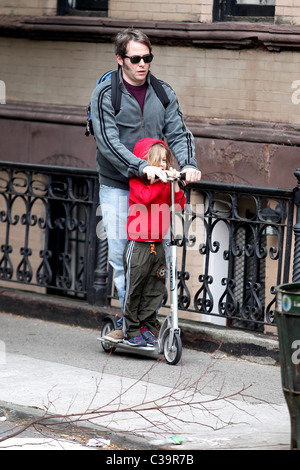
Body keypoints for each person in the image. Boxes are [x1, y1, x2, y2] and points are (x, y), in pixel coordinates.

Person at [91, 28, 201, 340]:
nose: (142, 64)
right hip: (118, 184)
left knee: (157, 257)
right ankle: (131, 323)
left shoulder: (163, 92)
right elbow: (108, 142)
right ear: (120, 59)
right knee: (122, 256)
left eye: (147, 58)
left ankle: (146, 322)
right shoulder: (106, 93)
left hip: (155, 189)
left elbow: (178, 133)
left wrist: (188, 164)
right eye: (135, 58)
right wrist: (140, 167)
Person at [121, 138, 186, 346]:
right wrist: (161, 181)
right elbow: (146, 199)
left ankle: (146, 326)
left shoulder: (165, 184)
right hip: (138, 244)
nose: (162, 166)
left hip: (157, 244)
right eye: (157, 161)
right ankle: (130, 329)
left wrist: (174, 185)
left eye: (165, 161)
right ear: (145, 162)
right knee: (135, 288)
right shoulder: (137, 182)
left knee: (154, 288)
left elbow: (179, 205)